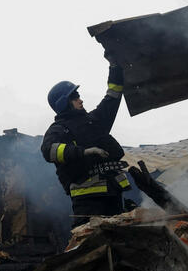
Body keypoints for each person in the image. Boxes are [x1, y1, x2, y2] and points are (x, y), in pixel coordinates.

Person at [41, 64, 131, 226]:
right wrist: (83, 152)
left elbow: (113, 96)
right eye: (75, 97)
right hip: (88, 201)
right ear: (64, 103)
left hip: (113, 194)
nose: (80, 99)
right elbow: (49, 151)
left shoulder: (94, 121)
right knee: (90, 243)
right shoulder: (59, 129)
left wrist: (115, 66)